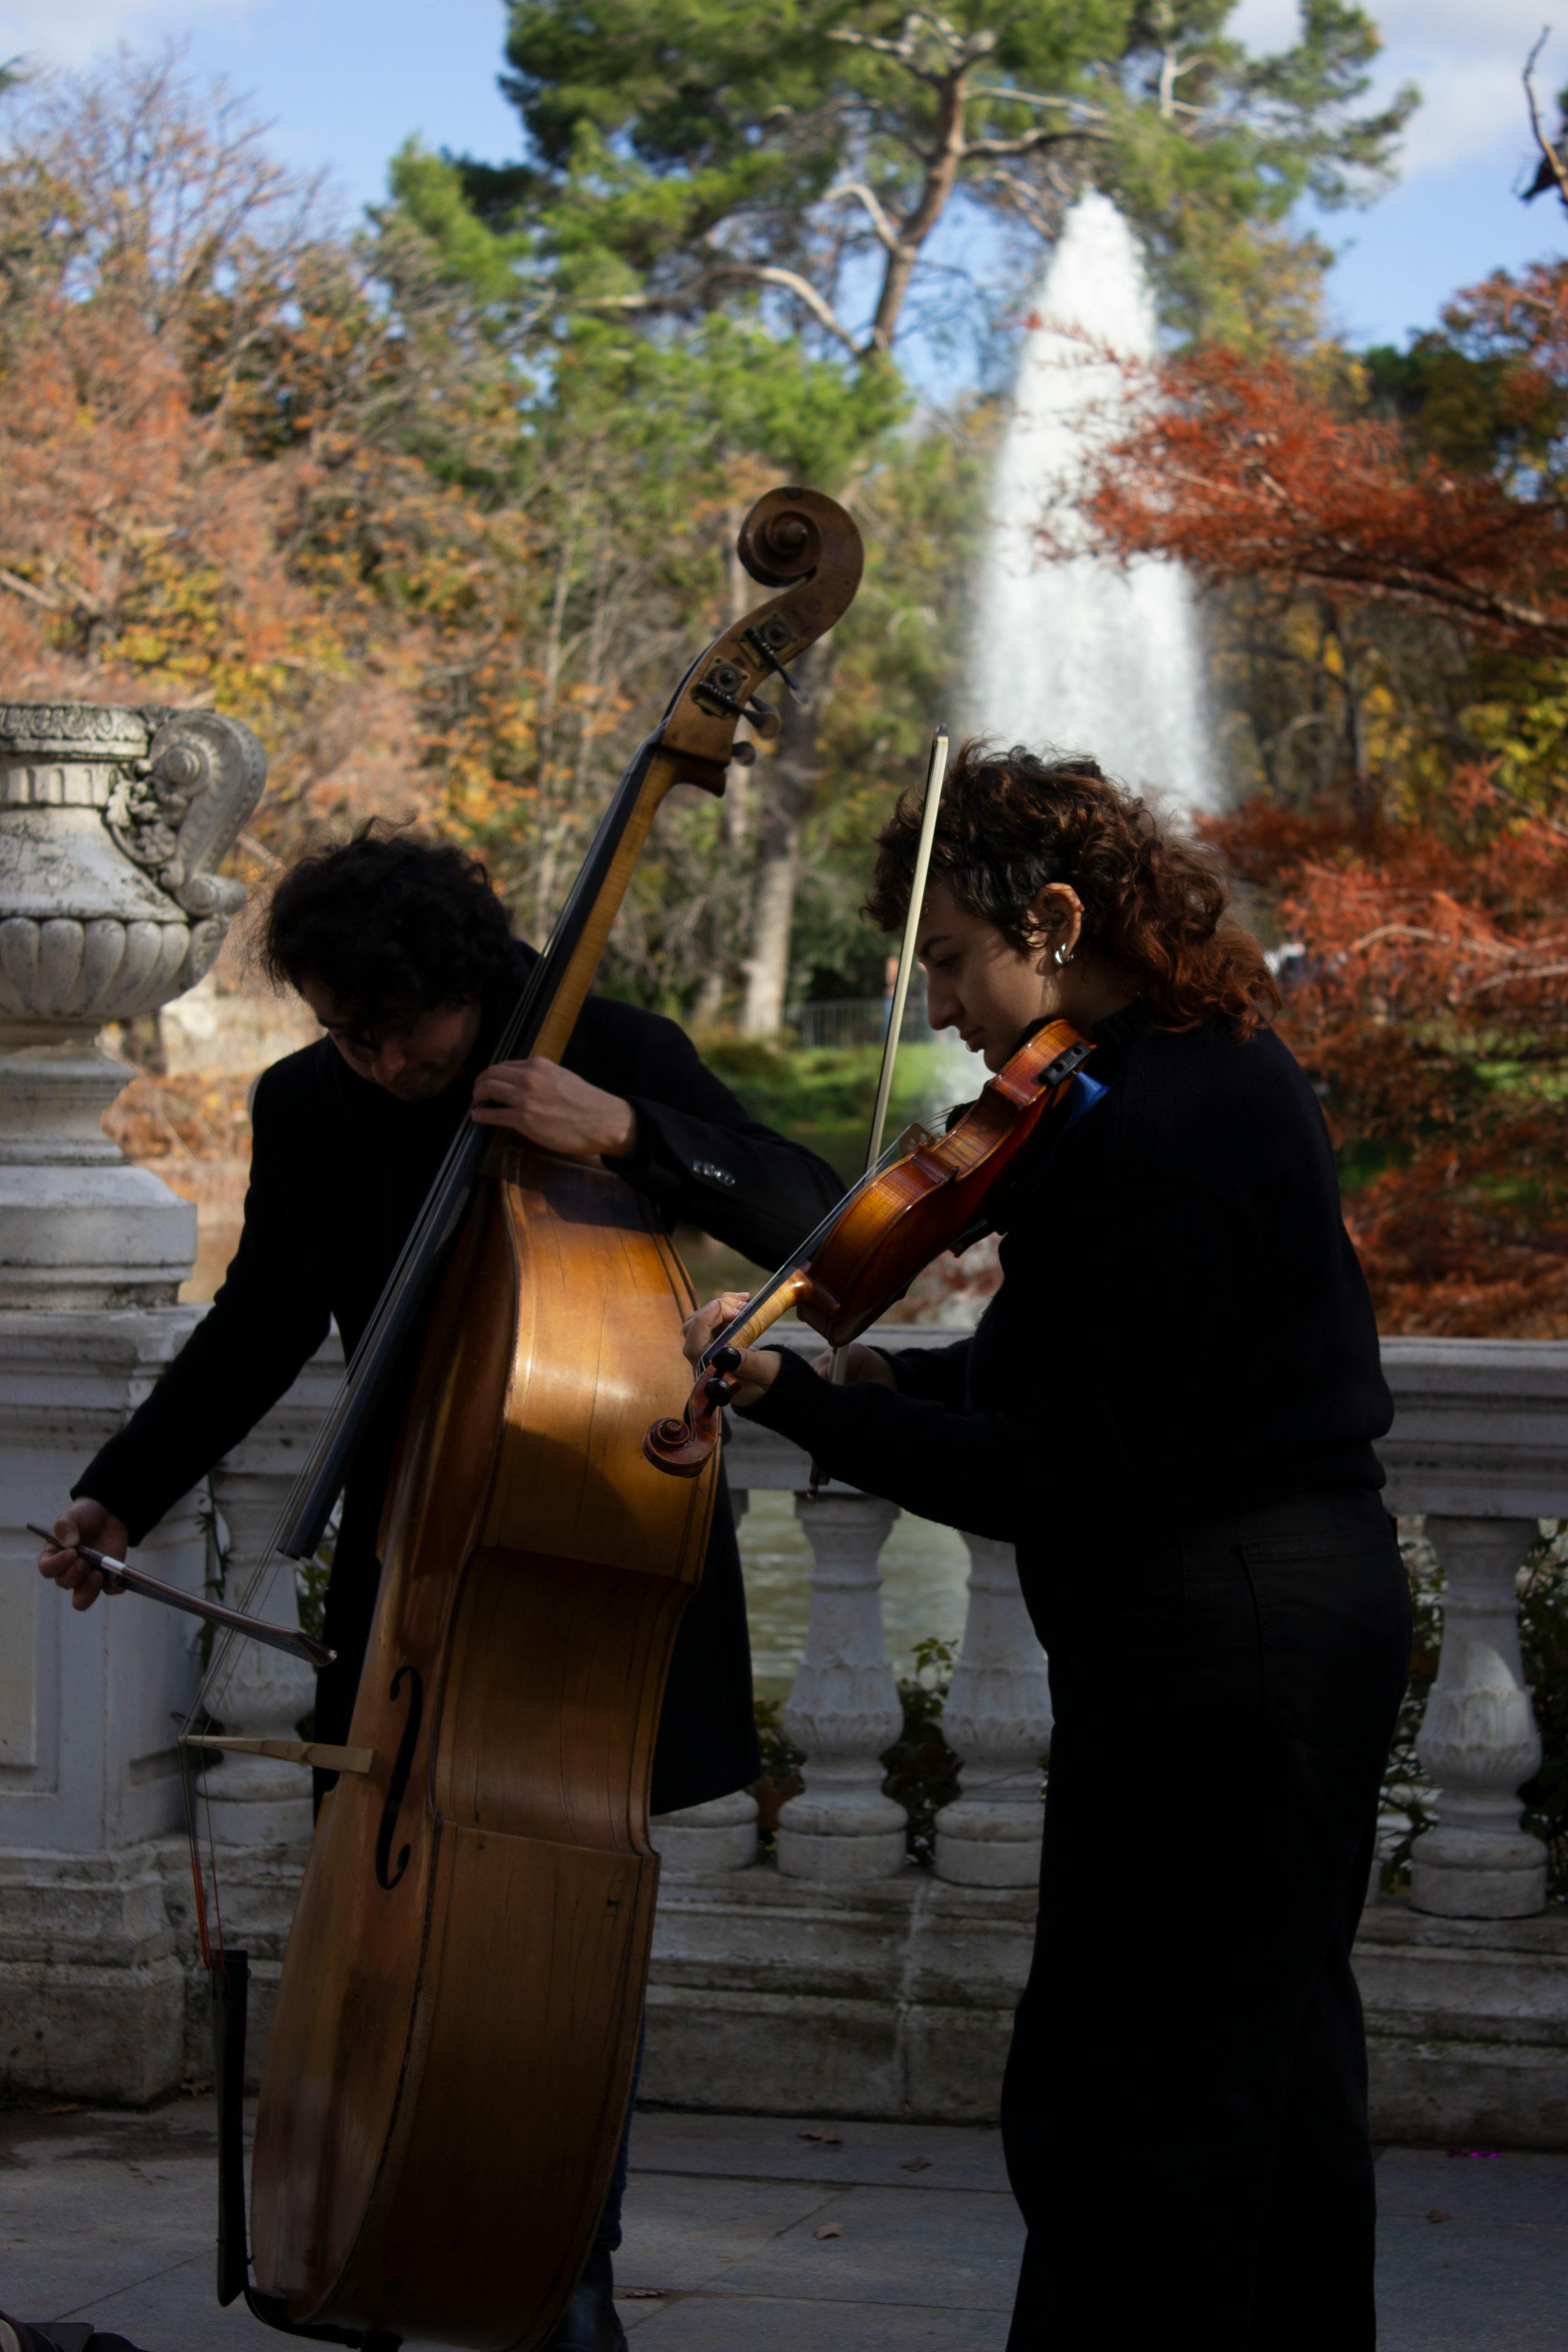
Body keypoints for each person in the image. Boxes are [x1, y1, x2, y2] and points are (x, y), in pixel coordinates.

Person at [37, 828, 842, 2352]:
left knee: (565, 1960)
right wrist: (120, 1488)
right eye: (347, 1031)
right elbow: (258, 1325)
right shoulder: (313, 1103)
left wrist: (630, 1132)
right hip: (415, 1578)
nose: (384, 1063)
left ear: (474, 982)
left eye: (405, 1031)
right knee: (394, 1949)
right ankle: (391, 2235)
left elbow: (811, 1214)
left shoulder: (606, 1044)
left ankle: (558, 2264)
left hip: (588, 1576)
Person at [685, 743, 1411, 2352]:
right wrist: (874, 1373)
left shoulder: (1161, 1125)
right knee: (1264, 2090)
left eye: (951, 958)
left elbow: (1071, 1473)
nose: (940, 1005)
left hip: (1228, 1638)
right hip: (1260, 1619)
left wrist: (800, 1406)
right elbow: (1081, 1388)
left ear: (1058, 915)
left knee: (1130, 2107)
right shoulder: (1171, 1087)